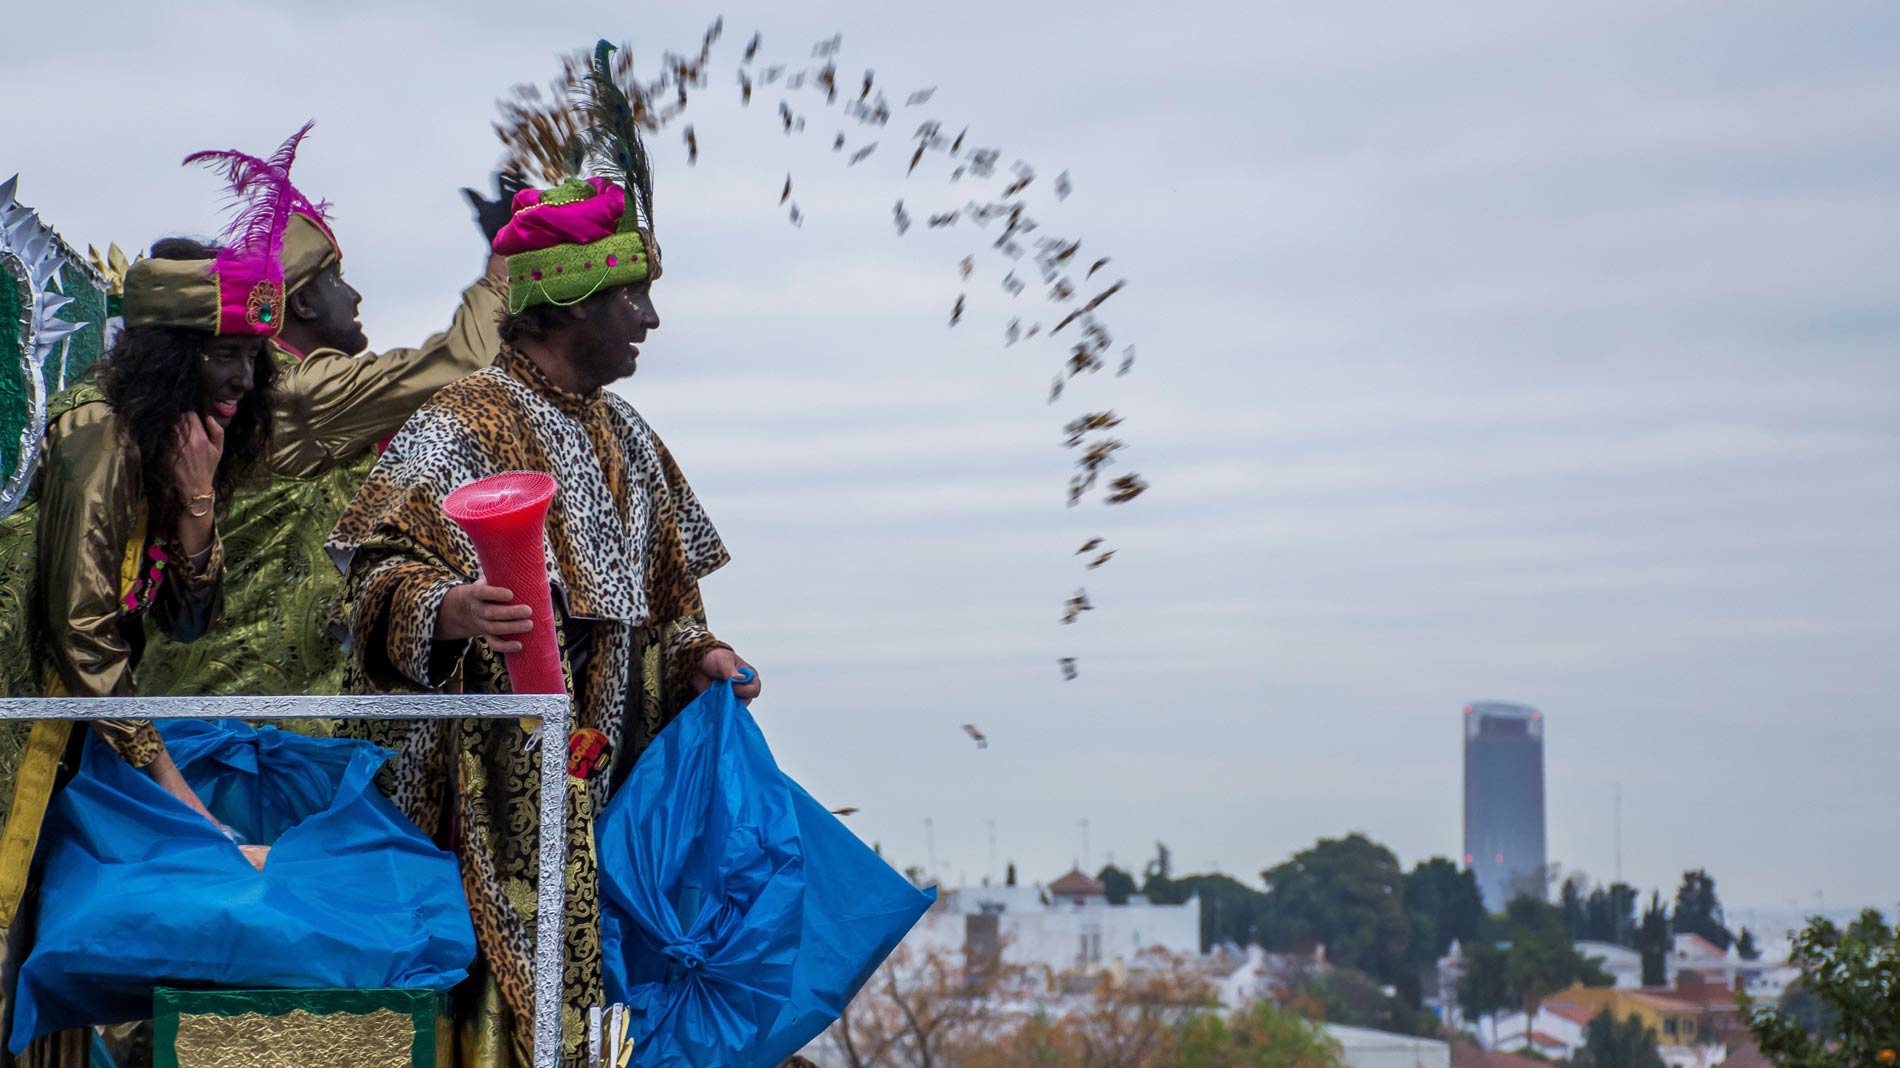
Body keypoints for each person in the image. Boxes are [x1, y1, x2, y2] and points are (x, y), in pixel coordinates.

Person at [329, 77, 761, 1065]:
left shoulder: (632, 436)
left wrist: (702, 655)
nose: (649, 318)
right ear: (570, 306)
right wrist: (447, 610)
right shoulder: (460, 419)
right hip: (482, 799)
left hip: (602, 793)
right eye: (632, 296)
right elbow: (368, 584)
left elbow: (666, 612)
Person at [134, 152, 519, 699]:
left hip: (237, 696)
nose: (355, 295)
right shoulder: (296, 394)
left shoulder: (267, 390)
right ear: (306, 303)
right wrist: (504, 259)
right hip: (247, 715)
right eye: (337, 279)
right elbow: (463, 362)